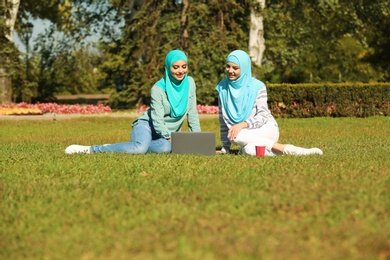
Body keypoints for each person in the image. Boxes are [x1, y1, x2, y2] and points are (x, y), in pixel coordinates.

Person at [65, 49, 201, 154]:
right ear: (168, 68)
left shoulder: (190, 83)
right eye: (175, 67)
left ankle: (125, 148)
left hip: (165, 136)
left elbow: (192, 113)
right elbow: (157, 119)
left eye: (184, 66)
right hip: (147, 125)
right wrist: (169, 137)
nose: (180, 71)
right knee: (140, 148)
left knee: (165, 148)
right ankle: (94, 150)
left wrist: (198, 140)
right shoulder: (158, 89)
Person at [216, 50, 323, 156]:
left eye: (235, 68)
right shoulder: (222, 88)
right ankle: (292, 151)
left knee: (235, 135)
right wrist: (225, 148)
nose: (230, 71)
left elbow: (263, 116)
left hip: (266, 128)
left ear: (244, 68)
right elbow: (223, 120)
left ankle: (282, 148)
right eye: (228, 66)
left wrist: (242, 125)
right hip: (245, 132)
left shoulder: (257, 86)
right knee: (249, 150)